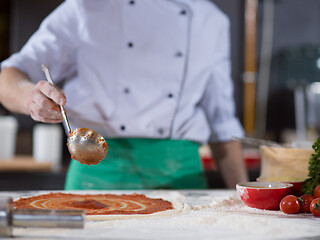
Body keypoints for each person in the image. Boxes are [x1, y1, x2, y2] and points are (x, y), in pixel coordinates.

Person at [0, 0, 248, 190]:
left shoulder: (210, 20)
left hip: (181, 178)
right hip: (96, 171)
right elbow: (8, 77)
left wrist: (244, 203)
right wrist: (28, 97)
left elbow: (222, 124)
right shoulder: (85, 8)